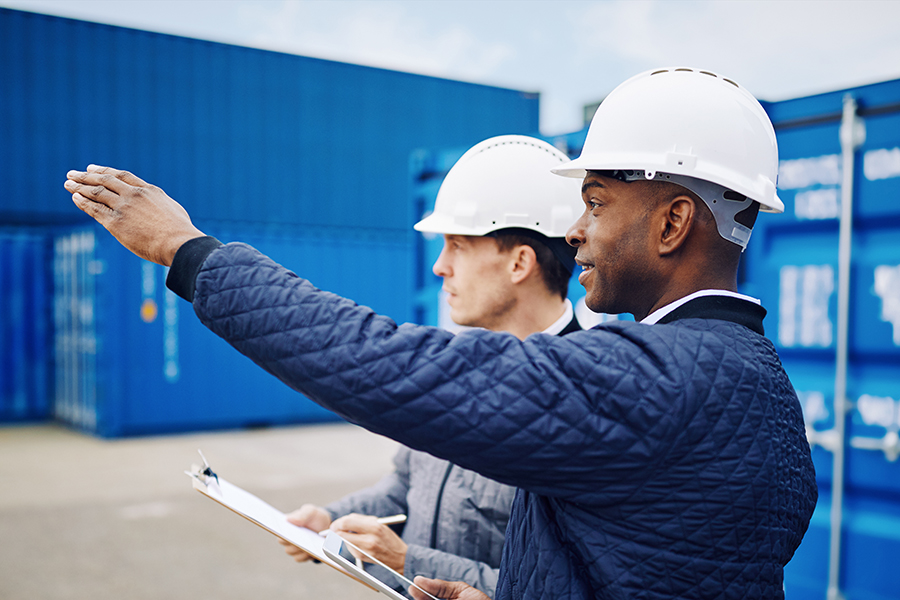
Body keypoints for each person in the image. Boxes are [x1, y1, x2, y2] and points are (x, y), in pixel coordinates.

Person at [65, 67, 817, 600]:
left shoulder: (656, 378)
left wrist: (190, 254)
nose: (578, 232)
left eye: (595, 202)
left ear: (674, 221)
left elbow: (388, 364)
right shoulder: (756, 380)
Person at [277, 135, 583, 599]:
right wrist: (331, 518)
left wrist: (408, 562)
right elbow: (406, 486)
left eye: (457, 246)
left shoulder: (587, 401)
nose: (439, 267)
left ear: (520, 262)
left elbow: (565, 589)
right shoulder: (452, 368)